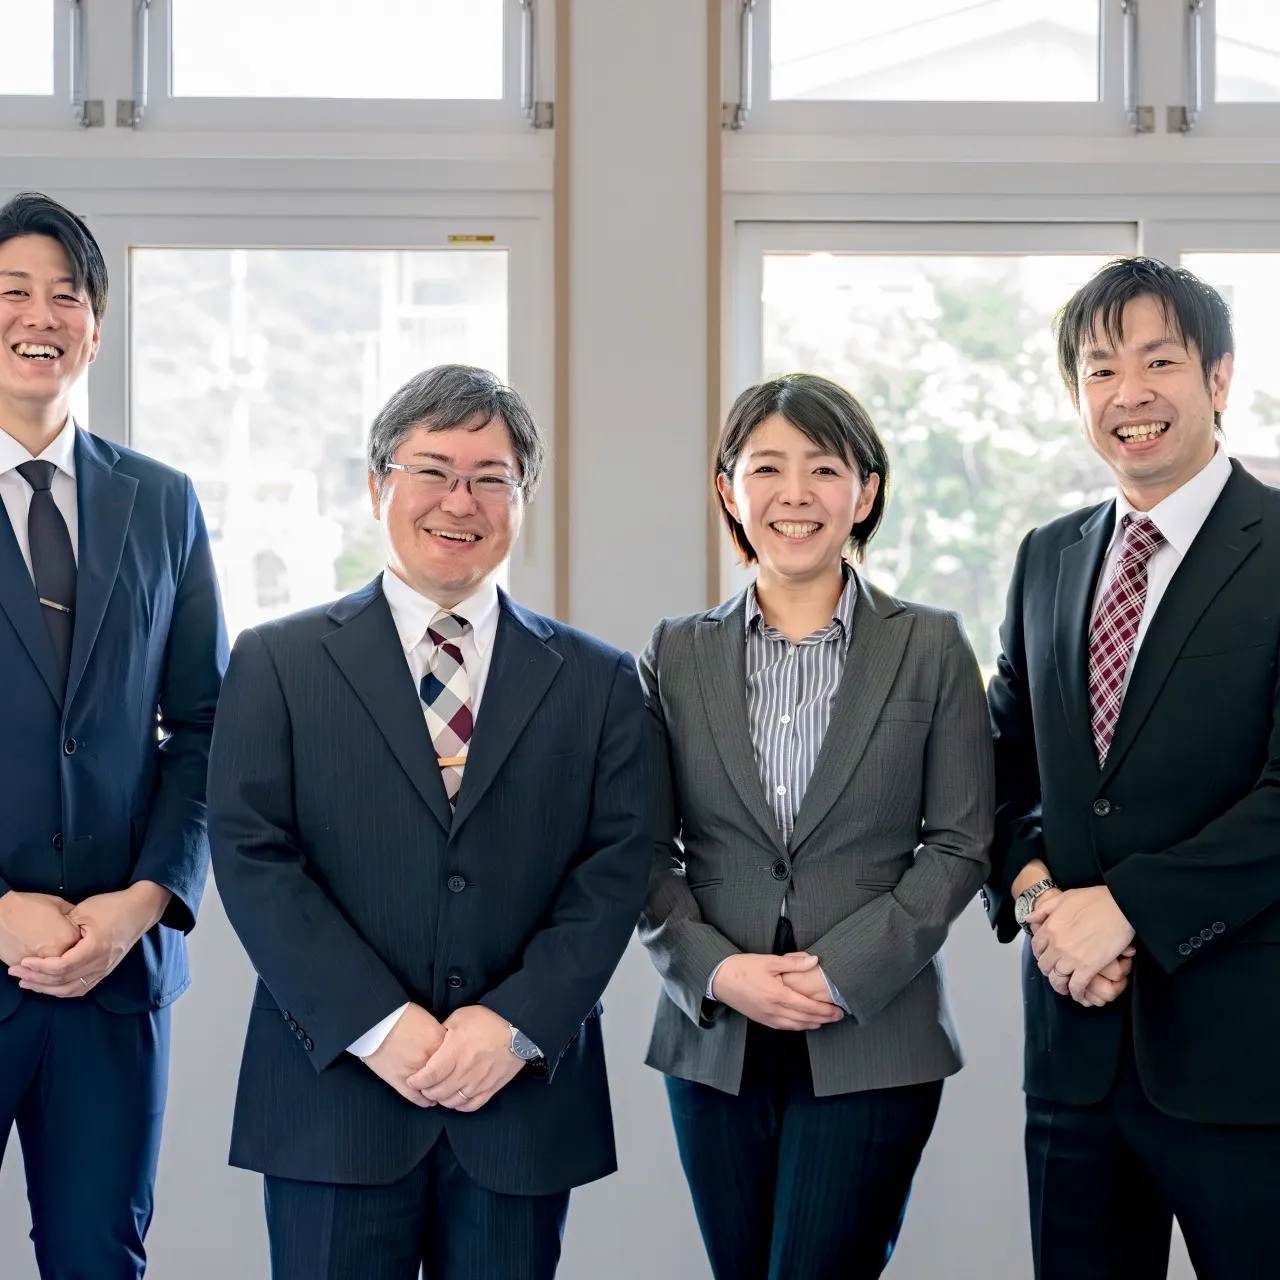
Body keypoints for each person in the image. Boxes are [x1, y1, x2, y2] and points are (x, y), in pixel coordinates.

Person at [208, 363, 651, 1280]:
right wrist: (377, 1023)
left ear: (521, 499)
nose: (461, 501)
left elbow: (615, 869)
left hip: (516, 1100)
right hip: (335, 1099)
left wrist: (515, 1025)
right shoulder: (277, 661)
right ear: (378, 487)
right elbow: (253, 857)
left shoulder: (599, 679)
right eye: (434, 471)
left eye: (491, 478)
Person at [637, 373, 993, 1280]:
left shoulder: (931, 645)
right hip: (715, 1038)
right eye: (767, 468)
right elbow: (638, 847)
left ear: (864, 492)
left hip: (874, 1034)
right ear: (729, 489)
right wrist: (717, 969)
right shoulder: (675, 651)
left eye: (824, 469)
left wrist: (843, 970)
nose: (794, 494)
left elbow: (961, 843)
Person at [985, 256, 1280, 1280]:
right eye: (1100, 369)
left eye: (1159, 360)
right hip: (1073, 1050)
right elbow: (1000, 770)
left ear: (1218, 377)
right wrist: (1039, 901)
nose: (1128, 393)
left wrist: (1128, 908)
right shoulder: (1047, 555)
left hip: (1247, 1060)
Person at [0, 191, 227, 1277]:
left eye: (67, 296)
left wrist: (141, 902)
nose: (39, 315)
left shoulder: (163, 503)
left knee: (99, 1255)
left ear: (96, 328)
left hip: (116, 970)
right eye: (12, 291)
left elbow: (207, 726)